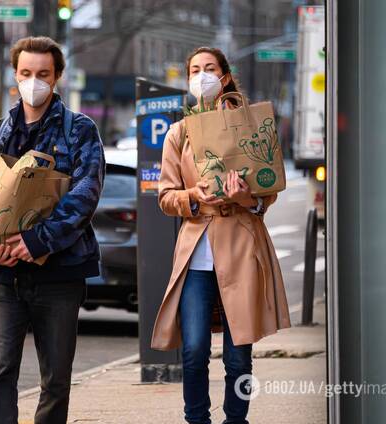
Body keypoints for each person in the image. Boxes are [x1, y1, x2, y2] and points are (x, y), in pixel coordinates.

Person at [0, 36, 105, 424]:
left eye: (42, 74)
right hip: (3, 276)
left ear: (56, 77)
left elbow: (85, 196)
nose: (34, 81)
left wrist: (35, 240)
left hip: (60, 276)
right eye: (26, 73)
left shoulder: (80, 131)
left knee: (56, 379)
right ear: (15, 75)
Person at [150, 47, 292, 424]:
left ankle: (236, 419)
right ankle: (196, 419)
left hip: (242, 246)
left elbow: (270, 187)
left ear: (225, 76)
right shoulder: (178, 133)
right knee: (194, 349)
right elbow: (165, 196)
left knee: (238, 354)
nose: (202, 76)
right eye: (194, 70)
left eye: (209, 68)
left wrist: (247, 198)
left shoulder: (251, 127)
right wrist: (194, 197)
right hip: (196, 251)